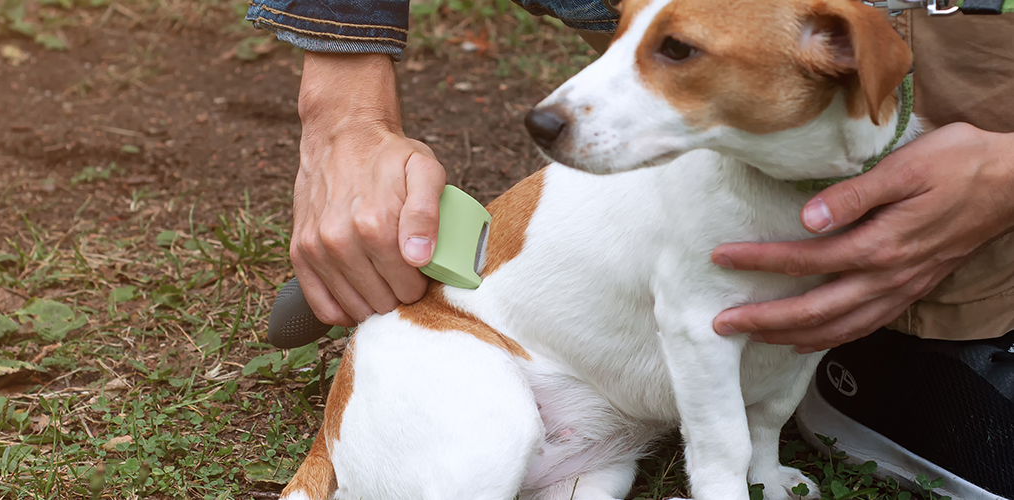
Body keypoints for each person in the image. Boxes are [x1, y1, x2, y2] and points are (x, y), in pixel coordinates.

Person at [246, 1, 1014, 497]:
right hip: (474, 342)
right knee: (490, 447)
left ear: (840, 53)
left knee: (601, 477)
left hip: (603, 422)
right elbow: (695, 321)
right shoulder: (705, 168)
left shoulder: (817, 83)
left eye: (674, 51)